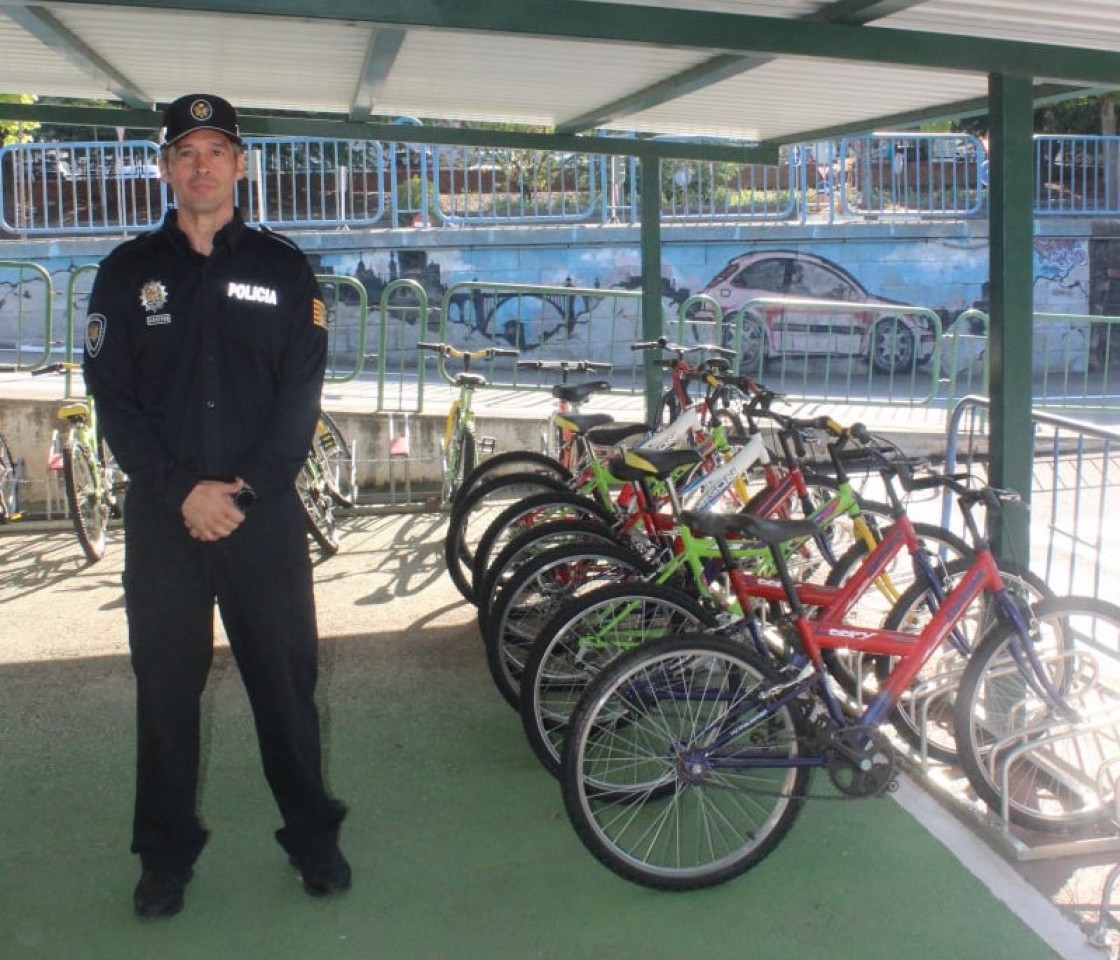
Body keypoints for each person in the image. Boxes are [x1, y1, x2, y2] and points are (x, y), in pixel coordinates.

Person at [83, 93, 349, 919]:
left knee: (285, 686)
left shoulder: (282, 268)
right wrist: (180, 491)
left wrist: (245, 491)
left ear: (239, 165)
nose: (200, 166)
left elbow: (300, 399)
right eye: (185, 152)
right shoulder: (126, 273)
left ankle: (312, 836)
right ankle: (163, 857)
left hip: (260, 517)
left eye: (215, 151)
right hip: (166, 519)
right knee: (164, 691)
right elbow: (112, 398)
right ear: (165, 168)